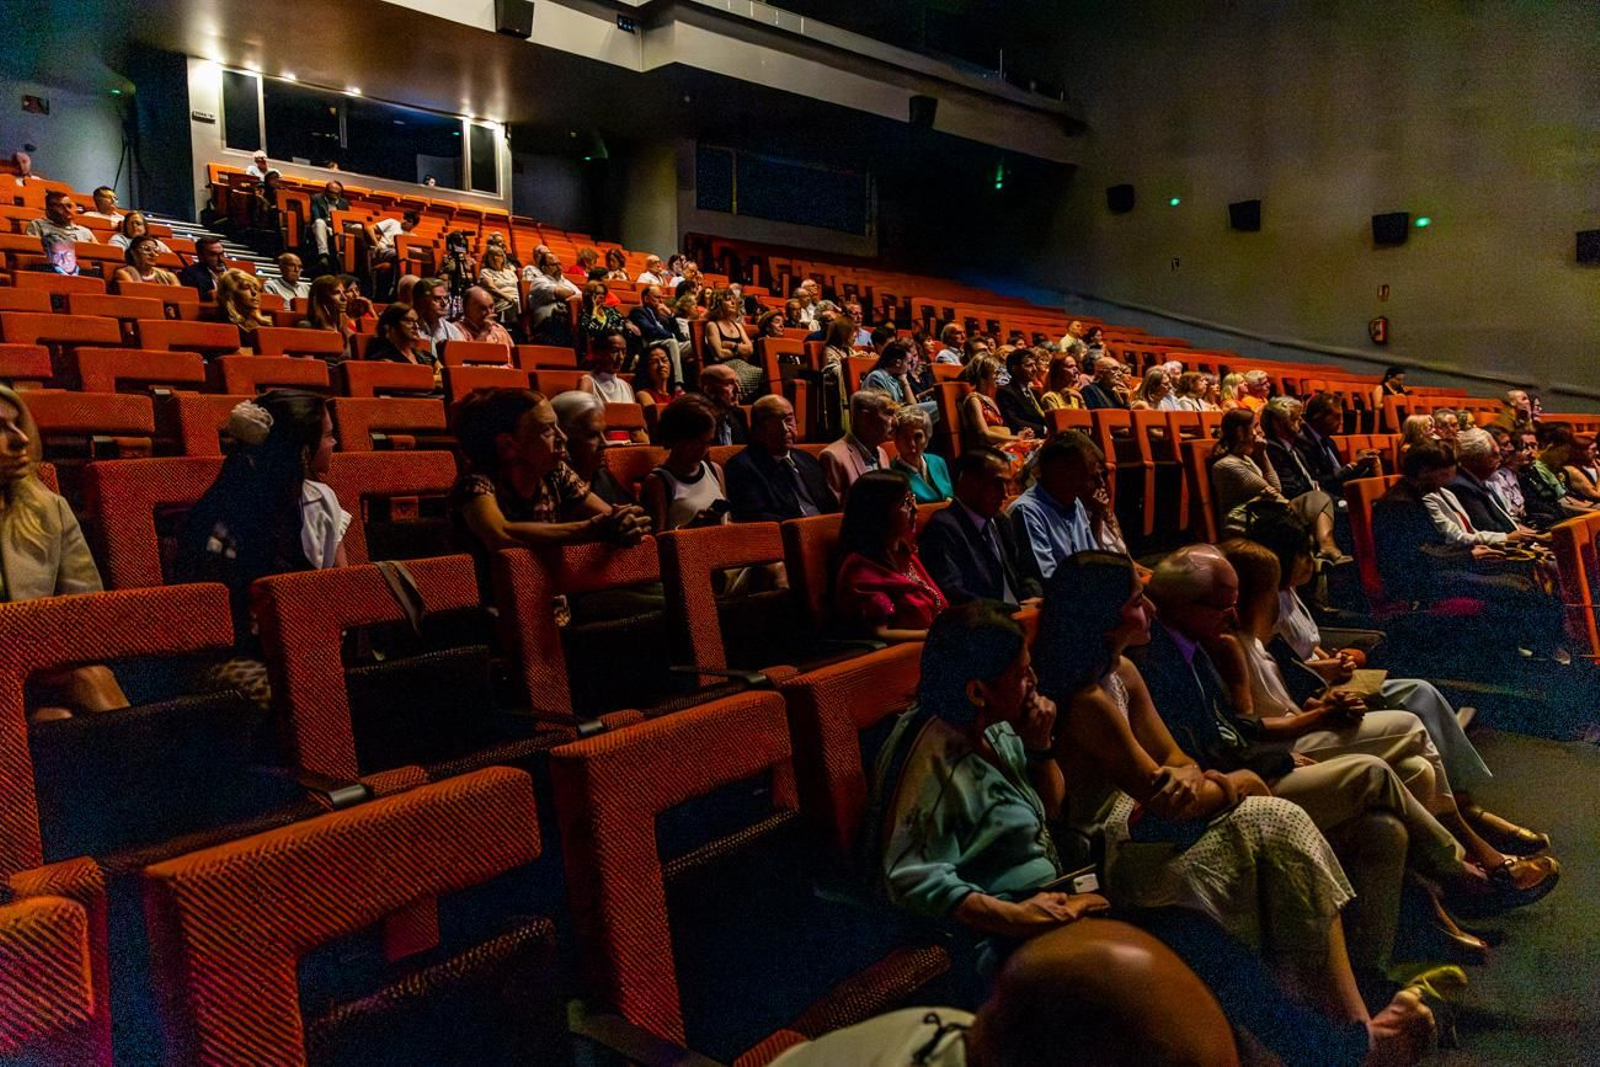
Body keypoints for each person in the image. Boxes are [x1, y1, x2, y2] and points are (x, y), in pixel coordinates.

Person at [875, 600, 1435, 1067]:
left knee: (1194, 927)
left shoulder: (997, 730)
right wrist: (1021, 915)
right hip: (999, 931)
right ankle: (1342, 1051)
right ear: (976, 690)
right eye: (1021, 673)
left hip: (1062, 891)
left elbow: (1046, 809)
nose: (1034, 680)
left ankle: (1333, 1046)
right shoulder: (931, 752)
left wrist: (1040, 746)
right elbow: (911, 876)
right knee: (1184, 937)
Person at [1138, 545, 1557, 926]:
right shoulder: (1166, 660)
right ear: (1181, 604)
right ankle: (1463, 871)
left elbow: (1233, 729)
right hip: (1242, 783)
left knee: (1411, 777)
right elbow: (1213, 745)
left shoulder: (1195, 642)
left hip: (1260, 760)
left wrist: (1313, 714)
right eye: (1221, 606)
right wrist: (1288, 748)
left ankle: (1432, 916)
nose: (1231, 616)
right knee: (1378, 765)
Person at [1248, 515, 1555, 859]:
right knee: (1414, 706)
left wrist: (1334, 658)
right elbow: (1282, 667)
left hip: (1328, 679)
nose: (1311, 561)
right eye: (1303, 554)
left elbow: (1308, 644)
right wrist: (1326, 670)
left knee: (1422, 692)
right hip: (1314, 692)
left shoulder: (1290, 593)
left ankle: (1464, 803)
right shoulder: (1262, 608)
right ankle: (1464, 815)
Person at [174, 392, 347, 704]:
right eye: (328, 436)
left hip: (301, 642)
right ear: (303, 452)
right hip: (235, 652)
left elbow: (340, 586)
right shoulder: (225, 512)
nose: (335, 443)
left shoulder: (322, 500)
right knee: (286, 692)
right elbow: (219, 618)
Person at [0, 386, 128, 720]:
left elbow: (89, 621)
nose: (20, 440)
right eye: (0, 428)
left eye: (18, 424)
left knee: (76, 693)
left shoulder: (48, 510)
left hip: (36, 676)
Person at [1374, 443, 1565, 656]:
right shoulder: (1399, 504)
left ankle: (1538, 647)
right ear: (1423, 471)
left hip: (1438, 567)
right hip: (1420, 580)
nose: (1450, 478)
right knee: (1516, 586)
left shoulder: (1415, 495)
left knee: (1526, 572)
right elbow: (1413, 557)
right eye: (1445, 472)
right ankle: (1519, 655)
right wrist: (1469, 556)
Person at [449, 389, 650, 580]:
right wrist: (590, 529)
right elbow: (500, 533)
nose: (562, 437)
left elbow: (606, 515)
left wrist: (624, 523)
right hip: (497, 608)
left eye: (558, 427)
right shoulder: (476, 483)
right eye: (547, 430)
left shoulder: (556, 473)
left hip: (556, 600)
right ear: (508, 445)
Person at [1211, 408, 1347, 563]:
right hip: (1248, 520)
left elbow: (1275, 488)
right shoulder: (1227, 465)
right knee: (1314, 509)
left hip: (1268, 512)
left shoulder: (1246, 459)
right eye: (1256, 427)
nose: (1260, 432)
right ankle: (1324, 552)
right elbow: (1273, 491)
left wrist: (1263, 456)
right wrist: (1287, 505)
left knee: (1320, 497)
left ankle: (1326, 547)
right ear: (1241, 432)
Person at [919, 448, 1042, 608]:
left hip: (1019, 615)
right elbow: (954, 593)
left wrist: (1035, 599)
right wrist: (1010, 612)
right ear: (968, 482)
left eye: (1007, 484)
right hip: (986, 623)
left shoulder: (1000, 521)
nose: (1005, 495)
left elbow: (1024, 572)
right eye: (998, 484)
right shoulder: (942, 528)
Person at [833, 470, 946, 642]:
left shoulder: (904, 552)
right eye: (905, 503)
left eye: (912, 500)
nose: (915, 509)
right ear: (879, 513)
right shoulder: (860, 571)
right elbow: (879, 633)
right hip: (907, 658)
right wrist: (933, 635)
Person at [1007, 431, 1119, 579]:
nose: (1100, 484)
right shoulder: (1027, 512)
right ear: (1062, 474)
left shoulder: (1074, 502)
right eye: (1090, 477)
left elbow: (1094, 563)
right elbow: (1049, 581)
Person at [725, 396, 837, 522]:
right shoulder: (742, 467)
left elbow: (831, 506)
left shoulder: (807, 459)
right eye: (774, 422)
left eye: (789, 420)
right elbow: (756, 517)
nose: (785, 429)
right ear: (756, 430)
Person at [641, 396, 730, 533]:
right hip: (687, 552)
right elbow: (657, 541)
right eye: (695, 442)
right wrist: (692, 528)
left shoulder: (715, 470)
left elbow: (728, 522)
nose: (702, 450)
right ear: (676, 437)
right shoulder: (659, 482)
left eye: (708, 442)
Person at [550, 391, 631, 505]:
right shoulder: (551, 487)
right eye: (592, 435)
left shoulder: (602, 476)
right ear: (563, 437)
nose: (605, 443)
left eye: (604, 432)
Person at [1298, 393, 1380, 496]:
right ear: (1318, 417)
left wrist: (1361, 465)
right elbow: (1318, 482)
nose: (1341, 422)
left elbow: (1340, 478)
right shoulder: (1302, 442)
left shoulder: (1329, 441)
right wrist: (1352, 465)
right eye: (1336, 416)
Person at [820, 390, 895, 499]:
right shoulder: (833, 457)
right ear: (865, 418)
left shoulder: (882, 453)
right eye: (888, 414)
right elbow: (835, 512)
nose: (895, 421)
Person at [959, 355, 1033, 453]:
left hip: (1003, 445)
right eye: (996, 373)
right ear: (983, 376)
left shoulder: (992, 397)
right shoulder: (974, 399)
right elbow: (984, 434)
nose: (999, 376)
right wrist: (1017, 438)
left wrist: (1021, 434)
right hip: (988, 452)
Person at [704, 287, 765, 402]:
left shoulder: (737, 325)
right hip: (725, 366)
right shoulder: (712, 325)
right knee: (745, 379)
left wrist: (733, 346)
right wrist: (741, 350)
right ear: (718, 304)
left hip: (742, 365)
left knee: (766, 375)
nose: (733, 303)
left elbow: (750, 350)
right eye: (728, 300)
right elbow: (720, 354)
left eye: (733, 299)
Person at [578, 330, 642, 428]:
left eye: (624, 352)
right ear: (599, 353)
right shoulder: (588, 382)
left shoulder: (626, 386)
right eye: (614, 351)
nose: (621, 357)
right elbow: (584, 421)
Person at [891, 406, 951, 504]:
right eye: (905, 437)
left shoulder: (938, 461)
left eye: (918, 436)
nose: (912, 444)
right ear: (895, 439)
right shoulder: (892, 472)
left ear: (927, 436)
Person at [628, 284, 685, 386]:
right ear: (646, 298)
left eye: (662, 298)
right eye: (657, 297)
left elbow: (678, 334)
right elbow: (649, 330)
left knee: (694, 345)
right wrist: (671, 335)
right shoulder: (638, 311)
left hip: (670, 343)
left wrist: (670, 315)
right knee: (672, 342)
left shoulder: (661, 315)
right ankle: (678, 384)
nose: (661, 301)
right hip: (652, 344)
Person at [522, 249, 581, 345]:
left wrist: (571, 296)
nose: (559, 268)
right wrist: (572, 296)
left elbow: (582, 296)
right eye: (554, 265)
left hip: (566, 321)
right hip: (546, 325)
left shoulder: (565, 282)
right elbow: (561, 293)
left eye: (559, 264)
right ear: (544, 268)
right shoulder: (539, 281)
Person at [363, 303, 438, 377]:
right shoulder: (385, 358)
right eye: (409, 321)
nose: (416, 326)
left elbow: (445, 376)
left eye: (416, 321)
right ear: (390, 325)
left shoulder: (424, 355)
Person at [996, 348, 1049, 436]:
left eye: (1035, 365)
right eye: (1029, 365)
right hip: (1028, 437)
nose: (1035, 369)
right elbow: (1013, 420)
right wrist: (1043, 429)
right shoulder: (1005, 392)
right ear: (1014, 368)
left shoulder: (1034, 392)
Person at [413, 278, 465, 358]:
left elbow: (462, 360)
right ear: (421, 301)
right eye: (437, 298)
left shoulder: (452, 330)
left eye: (446, 298)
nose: (444, 303)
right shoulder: (410, 327)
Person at [699, 364, 749, 446]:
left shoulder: (739, 415)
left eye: (736, 382)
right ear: (708, 389)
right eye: (729, 383)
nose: (738, 389)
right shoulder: (697, 421)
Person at [216, 269, 273, 340]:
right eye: (246, 288)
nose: (254, 292)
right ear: (230, 294)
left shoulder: (269, 323)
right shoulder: (222, 326)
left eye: (256, 288)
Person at [307, 180, 349, 270]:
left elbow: (345, 218)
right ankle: (323, 255)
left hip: (337, 226)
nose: (333, 195)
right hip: (322, 225)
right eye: (331, 192)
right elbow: (316, 216)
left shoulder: (343, 203)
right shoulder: (316, 198)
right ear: (326, 191)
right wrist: (331, 221)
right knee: (319, 222)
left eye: (336, 193)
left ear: (340, 194)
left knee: (357, 227)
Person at [111, 234, 179, 287]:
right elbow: (137, 296)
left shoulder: (169, 277)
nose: (152, 254)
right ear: (133, 253)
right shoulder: (124, 273)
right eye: (146, 249)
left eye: (155, 250)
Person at [477, 245, 520, 322]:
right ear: (487, 258)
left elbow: (519, 288)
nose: (495, 258)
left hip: (517, 300)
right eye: (492, 255)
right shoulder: (486, 272)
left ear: (503, 258)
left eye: (498, 255)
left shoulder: (510, 272)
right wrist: (508, 297)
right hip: (502, 301)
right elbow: (491, 288)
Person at [632, 342, 681, 407]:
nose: (661, 365)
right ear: (646, 368)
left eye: (664, 360)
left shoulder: (678, 395)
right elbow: (656, 415)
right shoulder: (643, 394)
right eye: (654, 362)